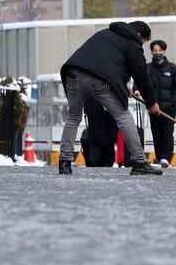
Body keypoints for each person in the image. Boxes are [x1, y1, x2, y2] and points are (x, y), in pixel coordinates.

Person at [58, 20, 162, 176]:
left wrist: (122, 84)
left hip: (73, 73)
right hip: (98, 80)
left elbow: (107, 61)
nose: (141, 45)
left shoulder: (105, 34)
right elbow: (141, 75)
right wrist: (151, 103)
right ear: (140, 35)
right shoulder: (133, 42)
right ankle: (140, 162)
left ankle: (64, 163)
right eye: (143, 42)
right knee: (124, 117)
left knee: (73, 117)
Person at [134, 40, 176, 168]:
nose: (157, 53)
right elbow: (139, 80)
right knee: (156, 133)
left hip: (169, 109)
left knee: (167, 133)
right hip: (153, 108)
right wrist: (136, 89)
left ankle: (166, 157)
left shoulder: (173, 69)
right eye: (155, 51)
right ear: (151, 51)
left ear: (164, 51)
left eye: (160, 50)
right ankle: (159, 157)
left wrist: (174, 102)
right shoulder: (147, 68)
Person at [81, 97, 118, 167]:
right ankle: (99, 158)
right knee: (106, 129)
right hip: (105, 98)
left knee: (95, 129)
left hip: (93, 100)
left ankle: (94, 157)